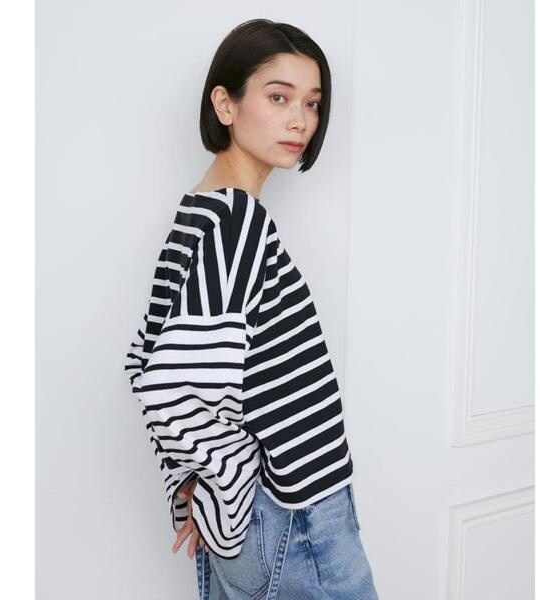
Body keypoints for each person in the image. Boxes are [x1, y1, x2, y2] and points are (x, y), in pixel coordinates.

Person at [124, 18, 379, 600]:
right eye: (278, 97)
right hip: (296, 515)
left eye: (312, 103)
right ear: (225, 103)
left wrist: (196, 482)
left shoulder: (199, 214)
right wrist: (232, 487)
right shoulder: (237, 223)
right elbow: (167, 385)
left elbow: (142, 360)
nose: (301, 121)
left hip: (262, 519)